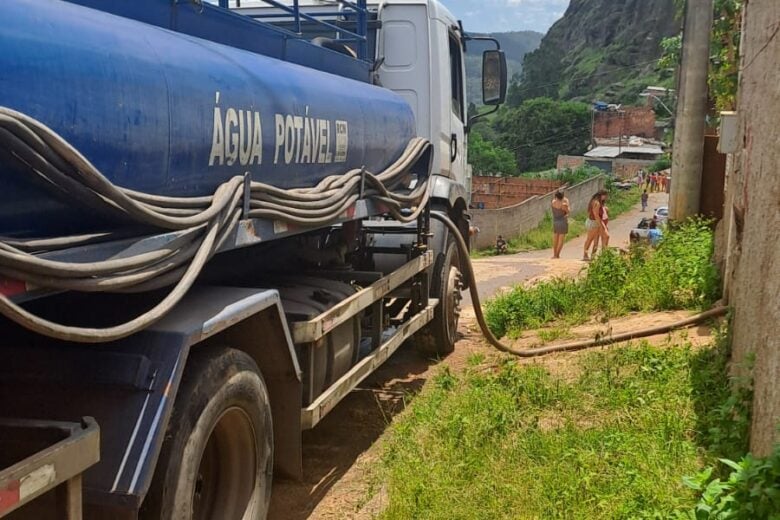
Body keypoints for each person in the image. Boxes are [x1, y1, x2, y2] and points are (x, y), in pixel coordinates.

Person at [583, 190, 605, 261]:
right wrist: (600, 225)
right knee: (590, 239)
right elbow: (596, 215)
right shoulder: (597, 203)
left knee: (595, 240)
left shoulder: (594, 201)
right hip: (594, 222)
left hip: (592, 222)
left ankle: (592, 255)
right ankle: (585, 254)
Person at [551, 190, 570, 259]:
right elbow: (568, 212)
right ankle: (557, 254)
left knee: (555, 238)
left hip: (555, 221)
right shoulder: (564, 204)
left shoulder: (553, 202)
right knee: (561, 239)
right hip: (563, 221)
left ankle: (554, 254)